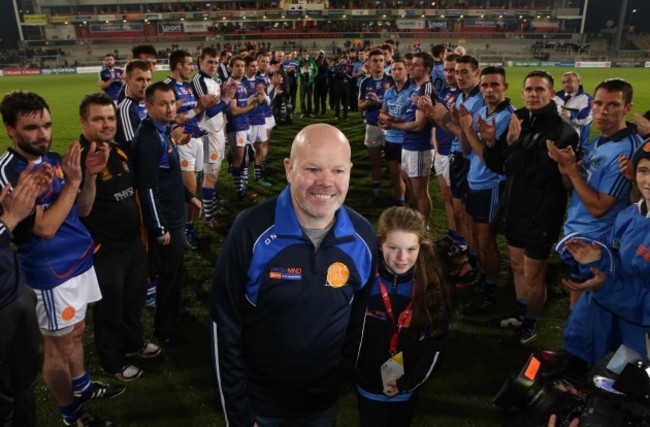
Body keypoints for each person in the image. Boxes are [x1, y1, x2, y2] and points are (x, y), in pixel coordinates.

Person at [210, 123, 376, 426]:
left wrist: (342, 377)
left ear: (350, 171)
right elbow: (224, 326)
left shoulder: (363, 237)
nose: (326, 182)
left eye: (338, 171)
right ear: (289, 168)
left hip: (322, 406)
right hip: (260, 406)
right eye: (313, 169)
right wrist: (239, 415)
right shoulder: (251, 230)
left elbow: (359, 324)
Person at [0, 90, 123, 427]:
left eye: (47, 125)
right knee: (59, 350)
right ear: (11, 129)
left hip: (78, 262)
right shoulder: (12, 172)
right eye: (32, 128)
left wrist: (90, 178)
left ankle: (81, 385)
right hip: (52, 275)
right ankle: (73, 416)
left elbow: (82, 209)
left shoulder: (53, 159)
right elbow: (45, 229)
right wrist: (72, 183)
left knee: (77, 331)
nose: (43, 134)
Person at [482, 70, 579, 347]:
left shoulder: (563, 132)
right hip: (515, 208)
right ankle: (521, 313)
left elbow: (539, 176)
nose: (533, 94)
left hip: (541, 213)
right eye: (529, 90)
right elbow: (498, 163)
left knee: (534, 275)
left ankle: (530, 328)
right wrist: (492, 141)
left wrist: (512, 147)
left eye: (540, 90)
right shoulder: (520, 118)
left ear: (551, 94)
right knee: (516, 266)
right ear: (522, 93)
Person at [77, 93, 161, 382]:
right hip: (105, 250)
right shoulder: (77, 158)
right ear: (84, 122)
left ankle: (134, 342)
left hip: (132, 243)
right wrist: (88, 176)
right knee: (110, 308)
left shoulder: (118, 151)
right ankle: (112, 361)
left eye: (110, 118)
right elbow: (80, 209)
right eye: (98, 119)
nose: (106, 124)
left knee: (134, 298)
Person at [550, 79, 642, 307]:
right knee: (578, 302)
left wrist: (572, 171)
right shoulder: (600, 140)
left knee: (592, 308)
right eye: (598, 103)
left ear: (627, 108)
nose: (602, 111)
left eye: (613, 105)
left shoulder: (627, 150)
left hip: (597, 243)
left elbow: (599, 207)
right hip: (580, 233)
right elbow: (574, 187)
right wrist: (566, 170)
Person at [355, 207, 450, 427]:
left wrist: (408, 382)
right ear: (380, 244)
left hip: (405, 386)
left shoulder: (429, 286)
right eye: (393, 248)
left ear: (421, 248)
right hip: (366, 384)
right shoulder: (364, 279)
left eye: (410, 249)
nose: (402, 258)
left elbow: (435, 343)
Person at [559, 140, 650, 370]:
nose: (648, 181)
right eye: (643, 171)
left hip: (641, 339)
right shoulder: (631, 214)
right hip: (615, 324)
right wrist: (594, 262)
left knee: (629, 396)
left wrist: (604, 285)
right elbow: (613, 261)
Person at [131, 82, 202, 345]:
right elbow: (147, 189)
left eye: (172, 102)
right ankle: (165, 329)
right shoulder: (148, 139)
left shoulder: (162, 132)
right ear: (148, 106)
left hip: (175, 215)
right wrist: (159, 228)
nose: (170, 107)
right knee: (168, 275)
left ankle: (173, 316)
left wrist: (188, 196)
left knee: (175, 272)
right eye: (163, 103)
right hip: (166, 221)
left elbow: (169, 179)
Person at [457, 66, 515, 315]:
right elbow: (468, 150)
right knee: (474, 234)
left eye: (495, 85)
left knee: (486, 240)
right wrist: (461, 126)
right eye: (485, 85)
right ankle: (482, 279)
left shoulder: (507, 117)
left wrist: (468, 128)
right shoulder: (481, 110)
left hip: (491, 185)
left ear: (505, 87)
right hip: (474, 180)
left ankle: (490, 292)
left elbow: (491, 159)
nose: (489, 90)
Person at [0, 162, 52, 427]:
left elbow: (18, 232)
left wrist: (29, 200)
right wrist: (9, 219)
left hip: (15, 289)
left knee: (25, 385)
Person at [383, 52, 435, 222]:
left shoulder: (425, 90)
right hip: (408, 144)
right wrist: (392, 119)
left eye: (415, 65)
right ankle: (416, 221)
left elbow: (419, 125)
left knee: (420, 193)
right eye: (410, 64)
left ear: (427, 69)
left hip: (419, 146)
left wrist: (392, 125)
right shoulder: (418, 89)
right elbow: (410, 117)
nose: (411, 68)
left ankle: (422, 228)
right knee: (411, 186)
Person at [191, 47, 236, 228]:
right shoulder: (199, 80)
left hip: (217, 133)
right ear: (200, 61)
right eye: (209, 61)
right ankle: (209, 218)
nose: (213, 65)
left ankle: (213, 206)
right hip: (208, 134)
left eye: (216, 62)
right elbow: (208, 111)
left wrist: (225, 98)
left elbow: (221, 110)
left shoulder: (214, 81)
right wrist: (225, 100)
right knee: (210, 176)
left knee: (214, 174)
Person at [358, 48, 392, 201]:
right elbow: (359, 106)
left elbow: (399, 103)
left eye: (381, 60)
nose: (378, 63)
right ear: (369, 64)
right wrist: (370, 103)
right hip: (372, 125)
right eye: (375, 61)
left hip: (391, 126)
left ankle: (395, 189)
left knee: (393, 161)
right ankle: (376, 190)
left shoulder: (391, 80)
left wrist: (380, 101)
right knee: (375, 161)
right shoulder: (365, 82)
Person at [379, 58, 414, 208]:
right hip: (391, 138)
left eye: (400, 69)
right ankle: (400, 202)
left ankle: (413, 205)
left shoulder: (413, 90)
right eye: (393, 69)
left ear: (407, 71)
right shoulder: (389, 92)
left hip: (406, 139)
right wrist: (383, 121)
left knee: (407, 177)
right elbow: (384, 111)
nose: (396, 72)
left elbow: (413, 117)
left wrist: (392, 120)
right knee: (394, 174)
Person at [115, 59, 152, 157]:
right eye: (140, 80)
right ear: (127, 80)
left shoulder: (146, 106)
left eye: (148, 80)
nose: (145, 85)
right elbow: (134, 148)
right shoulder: (126, 110)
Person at [552, 72, 593, 152]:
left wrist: (570, 115)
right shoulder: (556, 97)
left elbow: (586, 119)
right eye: (563, 82)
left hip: (577, 145)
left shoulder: (587, 99)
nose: (566, 84)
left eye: (569, 81)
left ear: (578, 81)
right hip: (556, 143)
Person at [298, 49, 318, 118]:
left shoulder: (312, 61)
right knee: (302, 98)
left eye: (306, 54)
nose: (305, 55)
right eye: (303, 54)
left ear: (308, 54)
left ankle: (309, 112)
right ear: (302, 55)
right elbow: (297, 72)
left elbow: (316, 71)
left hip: (310, 83)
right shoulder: (300, 62)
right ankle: (303, 112)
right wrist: (301, 73)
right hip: (303, 83)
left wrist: (312, 77)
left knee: (309, 98)